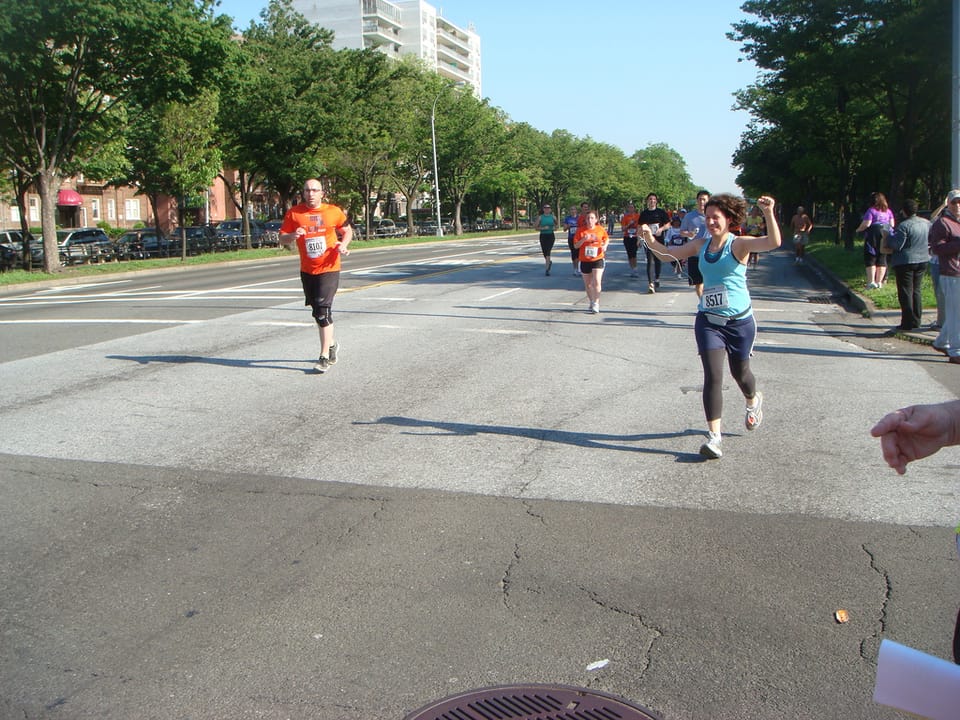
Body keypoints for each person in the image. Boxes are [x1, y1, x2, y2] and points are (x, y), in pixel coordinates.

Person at [641, 194, 782, 459]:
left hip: (739, 322)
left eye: (716, 217)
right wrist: (648, 238)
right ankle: (714, 437)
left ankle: (753, 400)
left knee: (741, 374)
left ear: (728, 220)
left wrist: (768, 212)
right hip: (708, 321)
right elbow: (667, 255)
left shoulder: (738, 245)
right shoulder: (700, 244)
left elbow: (773, 242)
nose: (711, 222)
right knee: (713, 376)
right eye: (708, 217)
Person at [278, 179, 353, 374]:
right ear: (303, 193)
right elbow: (282, 237)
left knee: (322, 310)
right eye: (307, 190)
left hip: (329, 267)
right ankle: (332, 344)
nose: (310, 193)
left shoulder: (333, 211)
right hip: (307, 270)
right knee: (317, 312)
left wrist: (343, 245)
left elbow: (347, 231)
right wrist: (293, 235)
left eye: (314, 190)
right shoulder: (294, 213)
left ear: (322, 193)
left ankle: (324, 357)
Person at [886, 199, 930, 333]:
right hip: (923, 259)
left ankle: (907, 322)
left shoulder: (904, 226)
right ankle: (916, 320)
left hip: (905, 261)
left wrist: (888, 236)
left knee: (905, 292)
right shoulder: (926, 223)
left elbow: (897, 245)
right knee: (916, 290)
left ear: (904, 211)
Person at [929, 189, 960, 363]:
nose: (958, 206)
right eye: (954, 202)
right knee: (956, 314)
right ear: (947, 203)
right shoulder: (942, 223)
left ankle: (942, 341)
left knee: (957, 313)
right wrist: (957, 244)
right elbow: (937, 249)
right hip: (951, 273)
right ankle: (956, 351)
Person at [856, 192, 896, 289]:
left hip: (873, 235)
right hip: (885, 233)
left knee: (871, 257)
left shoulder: (871, 210)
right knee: (882, 258)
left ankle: (871, 282)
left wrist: (858, 229)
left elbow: (867, 223)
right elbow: (892, 224)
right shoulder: (888, 211)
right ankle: (879, 282)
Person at [573, 209, 609, 314]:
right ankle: (592, 301)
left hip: (598, 258)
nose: (590, 220)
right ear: (585, 220)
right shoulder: (580, 230)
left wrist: (605, 245)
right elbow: (575, 245)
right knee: (588, 284)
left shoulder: (600, 229)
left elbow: (606, 238)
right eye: (588, 218)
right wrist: (584, 239)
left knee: (597, 281)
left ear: (596, 219)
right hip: (584, 259)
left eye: (592, 218)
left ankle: (596, 303)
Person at [680, 190, 710, 297]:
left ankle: (709, 304)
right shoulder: (689, 216)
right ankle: (703, 304)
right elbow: (682, 232)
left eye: (704, 200)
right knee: (698, 282)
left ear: (708, 201)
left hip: (710, 253)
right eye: (700, 199)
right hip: (694, 253)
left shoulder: (713, 216)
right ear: (697, 201)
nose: (702, 202)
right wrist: (689, 234)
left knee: (710, 282)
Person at [639, 193, 670, 293]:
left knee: (658, 260)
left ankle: (657, 278)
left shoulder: (660, 212)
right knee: (649, 261)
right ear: (647, 201)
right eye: (650, 199)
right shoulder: (644, 213)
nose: (652, 201)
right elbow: (640, 227)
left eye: (654, 199)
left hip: (659, 239)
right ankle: (650, 283)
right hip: (648, 240)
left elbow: (668, 224)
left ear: (656, 201)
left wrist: (661, 229)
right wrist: (639, 239)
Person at [620, 202, 642, 278]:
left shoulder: (638, 216)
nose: (631, 209)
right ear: (628, 209)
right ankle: (632, 269)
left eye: (632, 207)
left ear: (634, 208)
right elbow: (623, 229)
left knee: (634, 253)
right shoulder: (625, 217)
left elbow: (640, 227)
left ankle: (635, 269)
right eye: (629, 207)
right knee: (629, 254)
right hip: (627, 237)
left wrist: (640, 238)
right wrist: (629, 224)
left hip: (635, 237)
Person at [535, 203, 557, 275]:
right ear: (543, 209)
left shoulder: (553, 217)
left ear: (550, 209)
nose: (547, 209)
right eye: (545, 208)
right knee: (544, 252)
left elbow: (557, 226)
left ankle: (547, 269)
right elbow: (536, 228)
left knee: (548, 251)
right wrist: (543, 228)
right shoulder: (540, 217)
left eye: (548, 208)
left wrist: (554, 228)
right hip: (543, 235)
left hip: (550, 235)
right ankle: (549, 262)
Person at [745, 204, 767, 269]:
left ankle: (755, 264)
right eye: (753, 211)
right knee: (749, 250)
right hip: (750, 235)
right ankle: (748, 262)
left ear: (757, 212)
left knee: (756, 251)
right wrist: (748, 228)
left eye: (756, 211)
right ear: (751, 212)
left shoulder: (759, 219)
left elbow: (762, 227)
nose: (754, 212)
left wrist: (759, 226)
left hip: (757, 235)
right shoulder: (748, 218)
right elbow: (745, 226)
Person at [562, 205, 580, 276]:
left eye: (574, 209)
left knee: (579, 254)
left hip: (579, 238)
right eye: (571, 210)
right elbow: (564, 229)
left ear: (576, 210)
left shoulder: (579, 218)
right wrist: (568, 226)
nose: (573, 211)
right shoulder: (567, 218)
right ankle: (575, 269)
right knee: (573, 253)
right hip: (571, 238)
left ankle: (579, 268)